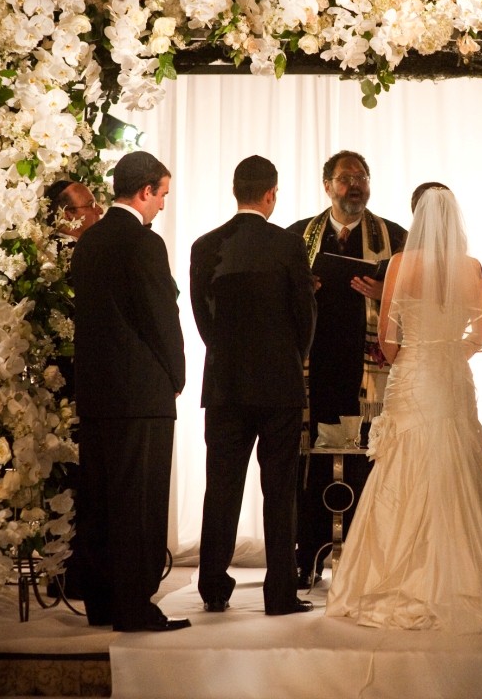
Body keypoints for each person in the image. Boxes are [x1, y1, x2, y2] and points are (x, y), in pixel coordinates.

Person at [325, 183, 482, 634]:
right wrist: (450, 353)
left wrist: (414, 356)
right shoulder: (472, 268)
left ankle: (395, 572)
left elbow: (387, 342)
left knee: (404, 466)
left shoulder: (401, 264)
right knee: (456, 463)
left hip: (412, 376)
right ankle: (462, 575)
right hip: (451, 376)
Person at [190, 155, 317, 616]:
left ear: (235, 190)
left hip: (224, 383)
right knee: (280, 490)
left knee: (220, 487)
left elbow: (204, 320)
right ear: (271, 194)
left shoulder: (204, 246)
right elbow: (305, 316)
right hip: (279, 384)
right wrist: (291, 359)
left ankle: (212, 587)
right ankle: (279, 593)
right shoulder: (287, 245)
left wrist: (225, 354)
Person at [71, 151, 189, 633]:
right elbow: (161, 316)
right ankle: (135, 607)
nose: (162, 205)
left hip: (96, 392)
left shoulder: (88, 242)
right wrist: (176, 376)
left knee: (99, 501)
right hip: (141, 395)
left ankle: (101, 602)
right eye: (161, 194)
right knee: (139, 504)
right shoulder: (143, 243)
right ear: (144, 192)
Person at [288, 151, 407, 588]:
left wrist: (384, 291)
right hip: (314, 367)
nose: (354, 186)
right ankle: (308, 554)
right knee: (310, 462)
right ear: (327, 186)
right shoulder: (299, 236)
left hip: (368, 369)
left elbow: (418, 303)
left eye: (362, 178)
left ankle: (365, 555)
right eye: (344, 179)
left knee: (365, 461)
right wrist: (304, 289)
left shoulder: (395, 238)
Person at [43, 178, 104, 601]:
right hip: (67, 385)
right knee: (70, 480)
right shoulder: (52, 266)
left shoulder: (93, 250)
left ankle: (88, 566)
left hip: (93, 381)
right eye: (89, 204)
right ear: (66, 217)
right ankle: (69, 569)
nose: (97, 209)